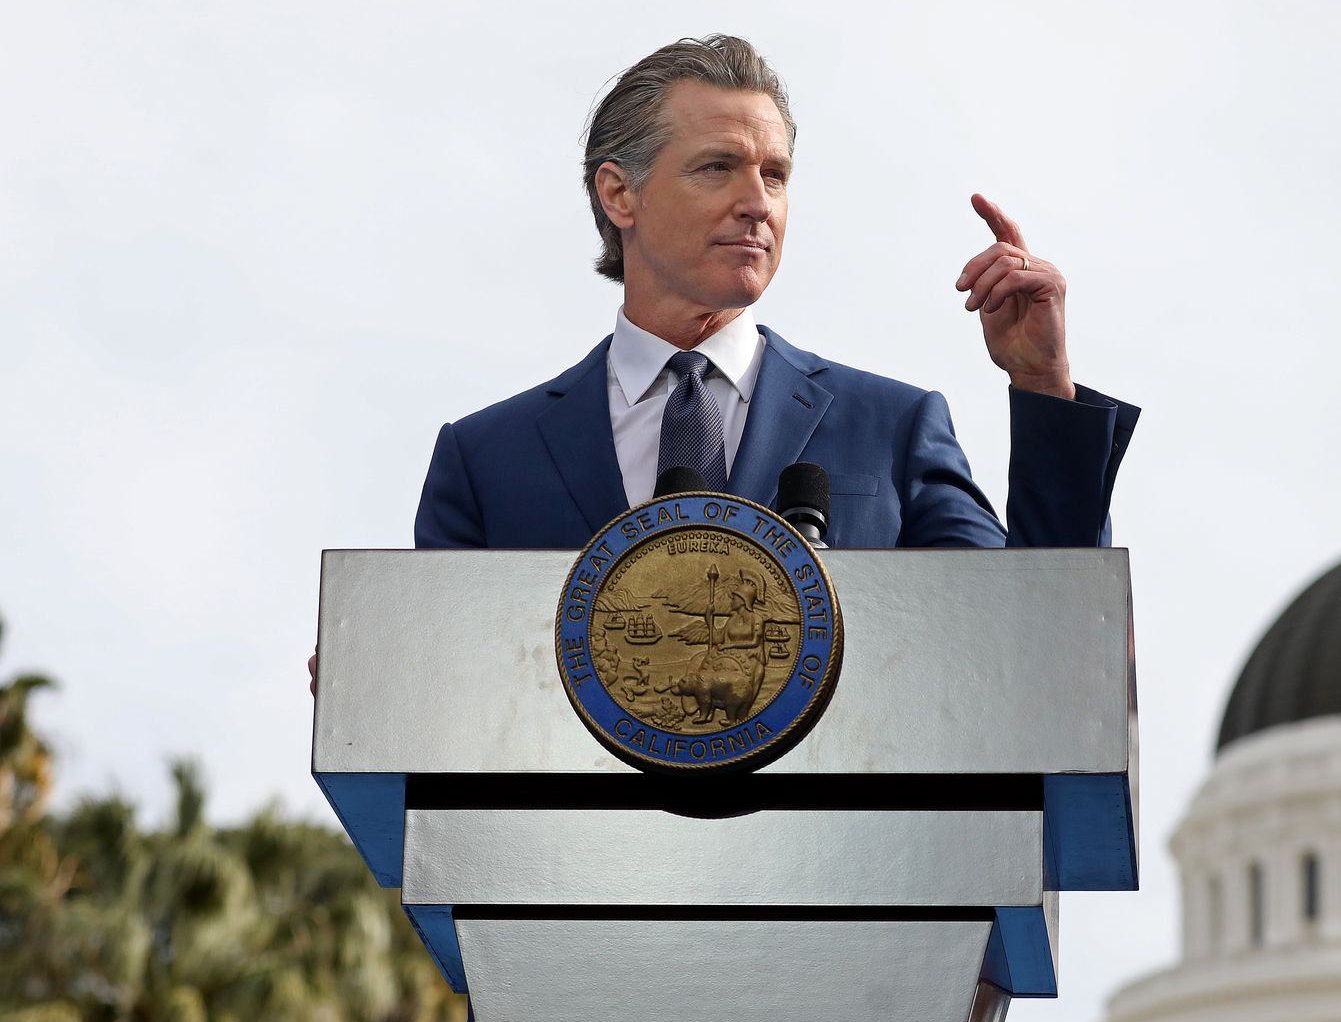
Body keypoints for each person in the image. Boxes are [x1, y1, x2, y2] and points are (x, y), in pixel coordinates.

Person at [310, 33, 1137, 679]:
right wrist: (380, 684)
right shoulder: (487, 458)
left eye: (775, 175)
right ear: (618, 193)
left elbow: (1040, 649)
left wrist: (1041, 383)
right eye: (718, 168)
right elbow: (442, 701)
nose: (757, 204)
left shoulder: (891, 427)